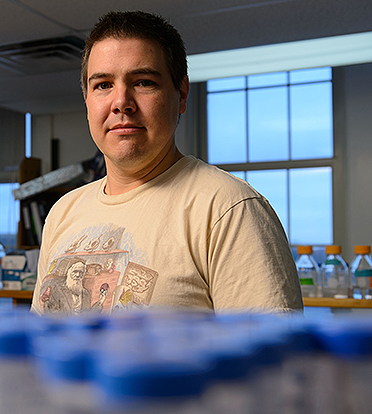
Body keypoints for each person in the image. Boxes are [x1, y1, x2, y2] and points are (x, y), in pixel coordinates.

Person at [31, 10, 303, 316]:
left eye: (144, 82)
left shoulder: (227, 209)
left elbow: (271, 359)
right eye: (103, 85)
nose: (121, 102)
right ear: (87, 100)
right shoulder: (63, 213)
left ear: (182, 94)